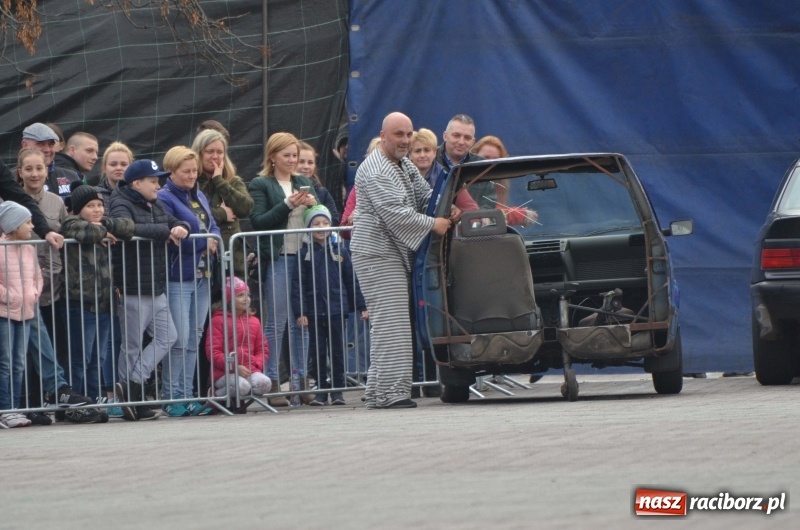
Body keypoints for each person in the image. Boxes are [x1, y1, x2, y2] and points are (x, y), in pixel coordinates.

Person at [350, 112, 459, 409]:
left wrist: (446, 210)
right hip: (377, 252)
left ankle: (378, 392)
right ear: (383, 135)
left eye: (409, 134)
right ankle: (390, 394)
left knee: (387, 324)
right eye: (399, 134)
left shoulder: (402, 163)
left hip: (388, 250)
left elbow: (425, 195)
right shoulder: (376, 169)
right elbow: (395, 212)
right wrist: (432, 224)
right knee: (392, 324)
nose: (406, 140)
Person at [17, 148, 98, 425]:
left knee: (54, 347)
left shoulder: (54, 201)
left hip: (53, 288)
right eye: (28, 169)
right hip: (21, 289)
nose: (34, 174)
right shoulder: (11, 201)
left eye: (39, 168)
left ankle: (58, 402)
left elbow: (70, 228)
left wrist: (98, 229)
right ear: (19, 173)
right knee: (24, 354)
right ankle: (28, 406)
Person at [109, 159, 190, 421]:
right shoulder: (120, 199)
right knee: (131, 346)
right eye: (153, 181)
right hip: (133, 285)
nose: (158, 185)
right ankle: (130, 401)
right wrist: (164, 231)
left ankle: (132, 385)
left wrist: (182, 228)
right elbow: (124, 228)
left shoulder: (154, 203)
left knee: (169, 337)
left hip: (155, 285)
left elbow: (179, 221)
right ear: (136, 183)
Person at [248, 132, 317, 406]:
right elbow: (259, 221)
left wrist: (316, 207)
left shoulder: (304, 182)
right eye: (287, 155)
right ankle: (273, 380)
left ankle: (301, 381)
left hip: (304, 258)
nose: (292, 160)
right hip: (279, 258)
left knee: (303, 321)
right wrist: (288, 204)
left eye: (295, 156)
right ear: (272, 156)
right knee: (276, 323)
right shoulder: (261, 183)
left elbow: (324, 217)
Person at [158, 146, 220, 416]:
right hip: (178, 277)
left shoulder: (200, 195)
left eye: (194, 170)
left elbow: (214, 225)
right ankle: (172, 397)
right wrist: (200, 244)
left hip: (203, 276)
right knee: (179, 340)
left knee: (194, 339)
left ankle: (187, 394)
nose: (193, 175)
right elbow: (171, 238)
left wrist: (213, 239)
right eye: (186, 171)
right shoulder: (164, 198)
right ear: (171, 172)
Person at [61, 183, 134, 411]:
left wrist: (103, 225)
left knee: (97, 358)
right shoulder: (71, 223)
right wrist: (102, 230)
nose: (97, 210)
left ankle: (92, 400)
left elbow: (128, 226)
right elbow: (84, 231)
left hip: (104, 303)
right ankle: (77, 400)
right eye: (90, 206)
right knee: (80, 359)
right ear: (78, 209)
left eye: (100, 205)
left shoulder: (102, 222)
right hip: (80, 303)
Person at [292, 205, 367, 406]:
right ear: (308, 227)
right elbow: (297, 284)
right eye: (316, 223)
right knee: (317, 352)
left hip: (336, 309)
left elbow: (351, 280)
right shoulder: (303, 254)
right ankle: (321, 391)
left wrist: (361, 305)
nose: (321, 227)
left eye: (325, 223)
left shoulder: (340, 251)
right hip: (314, 310)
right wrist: (300, 311)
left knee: (337, 351)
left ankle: (337, 390)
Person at [0, 201, 41, 428]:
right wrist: (12, 297)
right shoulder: (0, 248)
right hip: (5, 314)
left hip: (26, 313)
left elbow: (38, 276)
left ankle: (15, 407)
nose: (32, 226)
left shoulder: (29, 248)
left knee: (19, 364)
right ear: (14, 225)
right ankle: (5, 409)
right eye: (27, 222)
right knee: (5, 363)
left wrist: (34, 293)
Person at [191, 129, 253, 278]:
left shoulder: (232, 180)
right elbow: (190, 214)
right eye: (210, 151)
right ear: (199, 153)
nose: (215, 156)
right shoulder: (191, 182)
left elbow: (246, 208)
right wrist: (221, 214)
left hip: (232, 259)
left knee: (234, 300)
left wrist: (219, 181)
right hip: (201, 259)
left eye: (220, 152)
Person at [206, 277, 271, 400]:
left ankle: (239, 402)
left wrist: (255, 364)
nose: (246, 299)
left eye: (248, 295)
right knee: (242, 386)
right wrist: (233, 367)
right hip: (224, 372)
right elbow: (213, 352)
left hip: (249, 369)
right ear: (229, 299)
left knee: (264, 384)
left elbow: (262, 348)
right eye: (240, 295)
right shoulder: (217, 320)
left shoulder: (254, 321)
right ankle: (215, 396)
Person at [435, 114, 496, 209]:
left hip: (470, 222)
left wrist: (481, 218)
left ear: (473, 141)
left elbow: (489, 203)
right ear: (445, 136)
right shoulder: (429, 159)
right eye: (456, 135)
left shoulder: (482, 166)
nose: (461, 142)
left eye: (467, 138)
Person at [20, 123, 82, 203]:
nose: (47, 150)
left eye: (51, 144)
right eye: (40, 144)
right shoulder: (9, 179)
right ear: (25, 145)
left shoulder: (72, 176)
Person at [297, 141, 340, 225]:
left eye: (310, 162)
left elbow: (334, 220)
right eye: (301, 162)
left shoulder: (322, 192)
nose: (306, 167)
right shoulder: (283, 188)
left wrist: (314, 206)